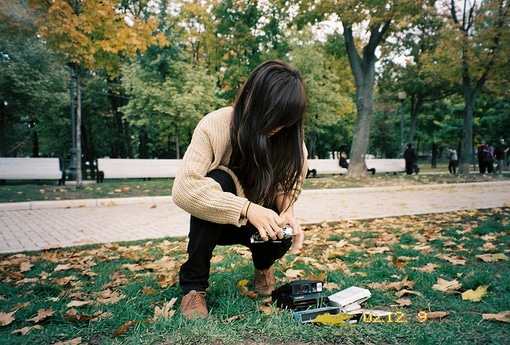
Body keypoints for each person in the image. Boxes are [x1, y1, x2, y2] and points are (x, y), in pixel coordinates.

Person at [172, 60, 308, 320]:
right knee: (216, 180)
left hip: (260, 223)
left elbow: (288, 185)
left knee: (282, 226)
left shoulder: (293, 146)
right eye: (272, 117)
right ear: (252, 100)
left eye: (285, 122)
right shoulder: (215, 125)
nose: (276, 128)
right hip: (217, 221)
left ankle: (263, 268)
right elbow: (184, 188)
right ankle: (194, 288)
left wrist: (289, 212)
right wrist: (246, 208)